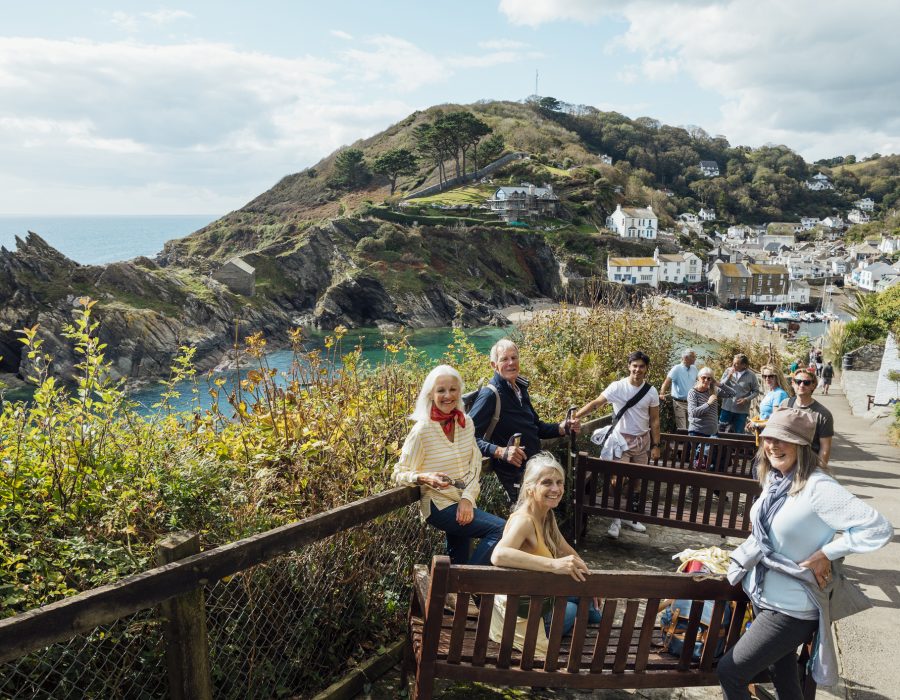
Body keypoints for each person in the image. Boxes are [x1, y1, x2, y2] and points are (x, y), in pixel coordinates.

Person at [717, 409, 891, 699]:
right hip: (764, 596)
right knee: (782, 677)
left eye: (784, 439)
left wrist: (827, 552)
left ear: (801, 445)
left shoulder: (818, 487)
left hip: (792, 608)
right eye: (769, 437)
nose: (773, 445)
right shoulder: (776, 480)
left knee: (730, 671)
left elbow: (878, 528)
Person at [393, 365, 506, 566]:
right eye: (441, 390)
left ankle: (456, 591)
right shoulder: (422, 430)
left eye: (453, 389)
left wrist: (468, 498)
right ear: (431, 394)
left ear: (459, 392)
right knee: (500, 529)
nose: (448, 395)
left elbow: (475, 464)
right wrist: (423, 477)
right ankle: (470, 582)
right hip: (439, 505)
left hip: (463, 501)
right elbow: (399, 473)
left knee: (458, 557)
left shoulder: (466, 423)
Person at [490, 452, 602, 650]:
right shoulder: (524, 521)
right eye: (547, 482)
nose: (556, 489)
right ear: (530, 488)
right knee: (575, 609)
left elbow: (565, 549)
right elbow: (498, 555)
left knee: (592, 606)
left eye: (559, 482)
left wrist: (590, 581)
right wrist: (554, 564)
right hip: (528, 613)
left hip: (542, 596)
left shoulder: (546, 515)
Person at [470, 339, 580, 503]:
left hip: (534, 469)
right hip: (515, 475)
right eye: (504, 359)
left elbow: (536, 426)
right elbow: (466, 436)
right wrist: (500, 451)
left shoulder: (520, 389)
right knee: (526, 520)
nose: (511, 363)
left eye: (514, 358)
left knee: (541, 515)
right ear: (494, 365)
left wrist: (561, 428)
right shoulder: (490, 395)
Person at [575, 350, 660, 537]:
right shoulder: (617, 387)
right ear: (629, 366)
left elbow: (654, 420)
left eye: (641, 366)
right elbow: (597, 403)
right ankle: (615, 520)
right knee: (617, 480)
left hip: (642, 441)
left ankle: (627, 515)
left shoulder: (651, 391)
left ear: (646, 369)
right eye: (634, 366)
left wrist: (655, 445)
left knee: (636, 481)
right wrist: (575, 416)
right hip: (621, 440)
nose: (637, 370)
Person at [779, 369, 834, 466]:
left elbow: (825, 448)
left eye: (806, 383)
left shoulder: (823, 414)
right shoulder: (785, 404)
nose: (801, 385)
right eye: (798, 382)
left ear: (813, 385)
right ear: (793, 383)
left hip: (807, 465)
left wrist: (819, 471)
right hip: (784, 462)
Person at [718, 354, 759, 434]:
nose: (733, 365)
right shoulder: (728, 371)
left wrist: (746, 399)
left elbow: (756, 391)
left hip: (741, 412)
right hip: (726, 409)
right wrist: (728, 377)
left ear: (744, 365)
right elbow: (719, 386)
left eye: (736, 363)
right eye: (733, 362)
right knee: (721, 433)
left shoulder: (751, 375)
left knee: (738, 434)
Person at [659, 348, 698, 431]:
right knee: (682, 429)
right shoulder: (676, 369)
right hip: (679, 403)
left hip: (691, 403)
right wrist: (662, 393)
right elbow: (666, 382)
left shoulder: (694, 369)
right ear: (686, 358)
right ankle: (683, 443)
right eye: (693, 357)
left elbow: (698, 382)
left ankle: (687, 444)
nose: (695, 359)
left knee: (691, 428)